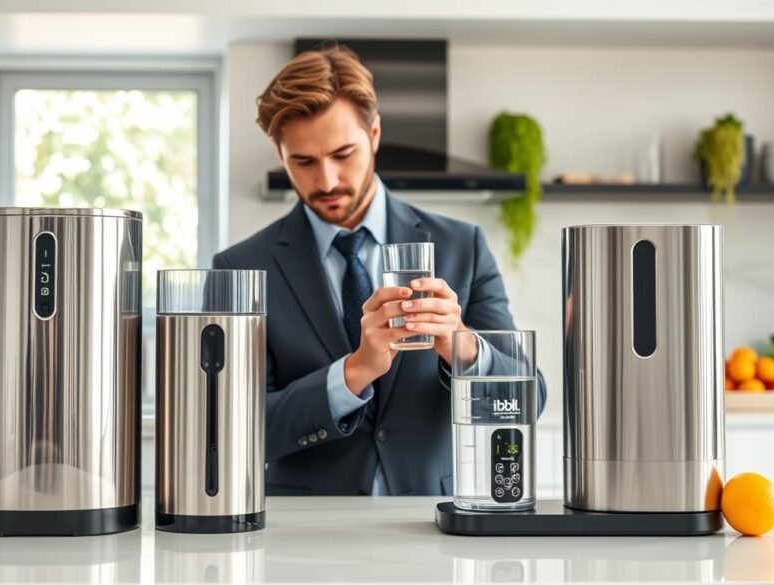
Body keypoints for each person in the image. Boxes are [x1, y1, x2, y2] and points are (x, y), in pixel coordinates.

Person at [213, 46, 546, 496]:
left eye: (343, 153)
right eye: (303, 162)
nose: (326, 181)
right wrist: (351, 373)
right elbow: (235, 425)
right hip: (307, 534)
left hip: (435, 517)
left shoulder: (462, 247)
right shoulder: (240, 267)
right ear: (279, 152)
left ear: (373, 134)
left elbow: (528, 399)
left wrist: (461, 345)